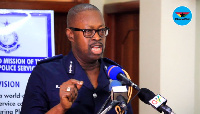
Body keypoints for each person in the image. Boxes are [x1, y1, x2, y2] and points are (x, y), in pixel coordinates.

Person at [21, 3, 133, 114]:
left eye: (101, 30)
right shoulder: (45, 73)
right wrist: (61, 107)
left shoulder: (116, 73)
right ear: (70, 34)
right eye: (88, 31)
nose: (97, 37)